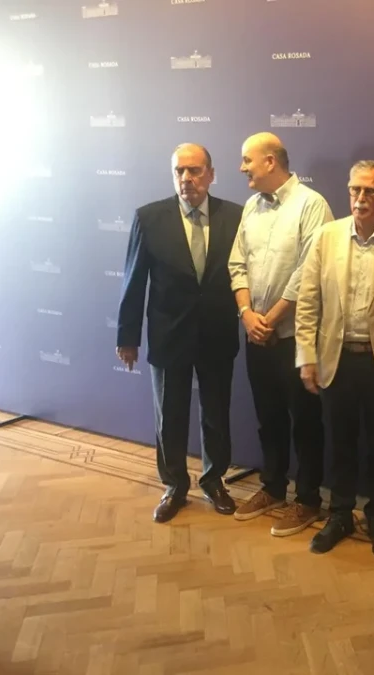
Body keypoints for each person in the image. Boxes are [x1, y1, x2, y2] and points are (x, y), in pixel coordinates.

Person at [295, 160, 374, 558]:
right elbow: (308, 300)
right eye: (354, 190)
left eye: (369, 192)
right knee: (341, 444)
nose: (360, 199)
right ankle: (340, 514)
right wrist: (306, 357)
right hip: (336, 359)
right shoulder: (326, 237)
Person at [116, 143, 243, 523]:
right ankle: (174, 485)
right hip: (169, 335)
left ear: (211, 174)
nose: (186, 179)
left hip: (218, 334)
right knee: (169, 415)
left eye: (194, 170)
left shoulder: (235, 217)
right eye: (179, 171)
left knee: (216, 413)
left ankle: (214, 480)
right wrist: (127, 336)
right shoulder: (149, 217)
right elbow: (133, 280)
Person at [227, 132, 334, 535]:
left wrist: (268, 319)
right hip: (255, 333)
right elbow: (237, 263)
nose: (242, 168)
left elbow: (309, 271)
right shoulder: (251, 207)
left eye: (247, 160)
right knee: (267, 417)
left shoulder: (312, 205)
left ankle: (308, 500)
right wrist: (247, 314)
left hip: (294, 336)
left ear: (271, 161)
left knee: (305, 421)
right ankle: (272, 487)